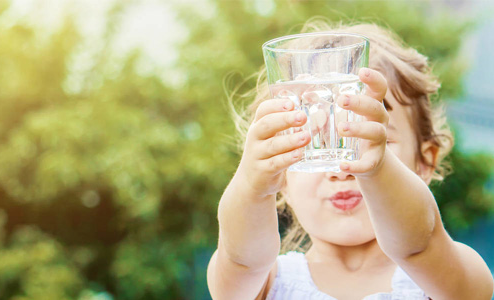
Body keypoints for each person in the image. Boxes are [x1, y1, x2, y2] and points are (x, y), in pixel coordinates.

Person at [207, 21, 494, 300]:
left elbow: (418, 244)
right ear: (281, 180)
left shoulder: (443, 276)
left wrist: (378, 171)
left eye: (374, 141)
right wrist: (251, 185)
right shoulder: (264, 283)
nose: (342, 170)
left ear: (425, 162)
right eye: (314, 142)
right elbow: (241, 259)